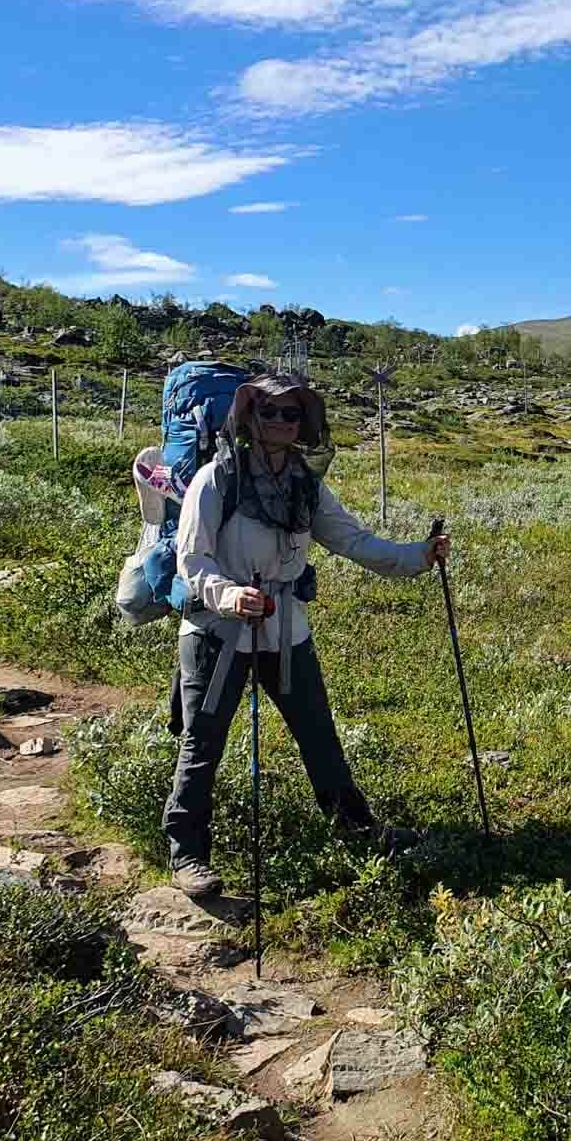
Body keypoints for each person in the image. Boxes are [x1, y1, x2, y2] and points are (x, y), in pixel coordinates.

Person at [163, 371, 448, 896]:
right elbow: (192, 559)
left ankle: (357, 831)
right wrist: (229, 596)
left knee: (318, 736)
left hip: (284, 631)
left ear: (304, 423)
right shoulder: (215, 479)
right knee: (203, 743)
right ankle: (186, 856)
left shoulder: (305, 485)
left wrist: (418, 557)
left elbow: (353, 541)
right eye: (268, 412)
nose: (279, 421)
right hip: (216, 633)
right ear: (248, 417)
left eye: (290, 414)